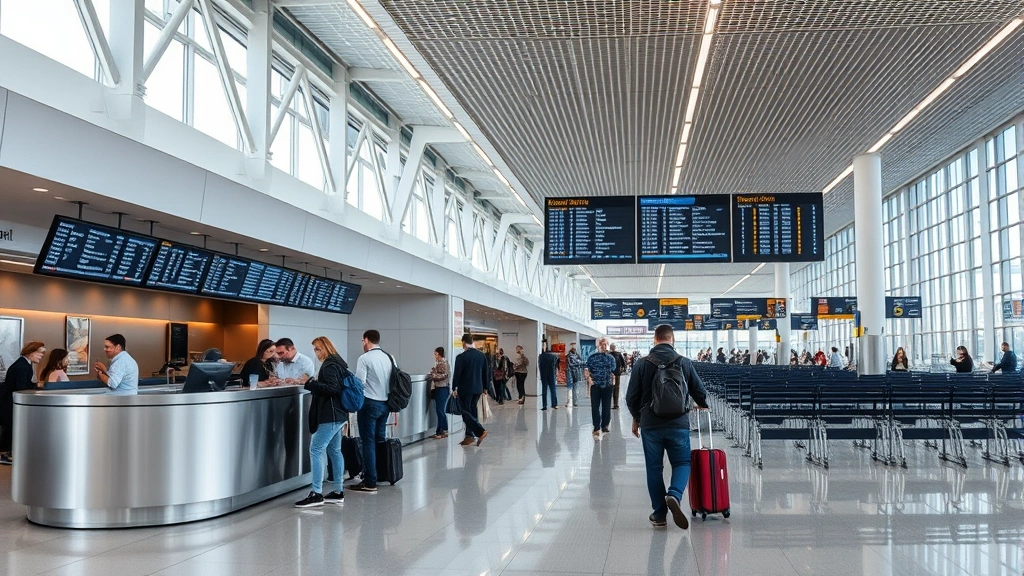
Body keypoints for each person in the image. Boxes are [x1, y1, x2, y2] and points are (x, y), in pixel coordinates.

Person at [626, 324, 709, 530]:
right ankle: (674, 494)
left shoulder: (641, 364)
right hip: (678, 423)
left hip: (651, 425)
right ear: (672, 340)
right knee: (682, 463)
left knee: (654, 469)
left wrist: (637, 418)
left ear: (655, 340)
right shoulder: (684, 362)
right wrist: (701, 403)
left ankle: (659, 514)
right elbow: (699, 391)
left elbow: (631, 397)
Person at [295, 336, 348, 508]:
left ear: (325, 348)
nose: (316, 353)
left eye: (318, 349)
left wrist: (309, 382)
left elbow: (332, 389)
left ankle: (316, 493)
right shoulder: (339, 362)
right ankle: (338, 491)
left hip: (329, 415)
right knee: (335, 451)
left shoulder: (329, 365)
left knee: (316, 449)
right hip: (339, 414)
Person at [350, 330, 393, 494]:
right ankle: (381, 475)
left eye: (362, 340)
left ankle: (370, 481)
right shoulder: (389, 357)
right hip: (386, 404)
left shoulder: (365, 358)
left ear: (367, 340)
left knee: (367, 442)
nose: (362, 344)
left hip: (369, 403)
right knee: (379, 440)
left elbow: (359, 383)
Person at [0, 341, 46, 465]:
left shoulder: (24, 364)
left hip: (9, 402)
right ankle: (11, 455)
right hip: (9, 403)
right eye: (39, 353)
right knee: (13, 428)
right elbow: (21, 388)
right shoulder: (22, 366)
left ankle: (11, 453)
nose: (41, 356)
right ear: (31, 352)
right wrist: (36, 387)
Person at [452, 334, 489, 446]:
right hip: (478, 389)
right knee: (472, 411)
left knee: (465, 411)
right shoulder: (481, 356)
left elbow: (457, 375)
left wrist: (454, 388)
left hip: (465, 389)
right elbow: (485, 373)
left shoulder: (461, 357)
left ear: (463, 342)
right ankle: (469, 436)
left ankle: (479, 431)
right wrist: (486, 387)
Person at [585, 338, 617, 438]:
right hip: (596, 385)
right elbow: (587, 368)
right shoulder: (592, 357)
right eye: (601, 344)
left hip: (607, 385)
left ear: (607, 345)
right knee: (595, 407)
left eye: (605, 344)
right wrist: (589, 379)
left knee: (606, 406)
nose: (603, 346)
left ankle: (605, 425)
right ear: (598, 345)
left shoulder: (610, 358)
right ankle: (596, 426)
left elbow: (613, 368)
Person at [428, 347, 451, 439]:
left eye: (435, 354)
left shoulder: (443, 363)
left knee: (440, 410)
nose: (434, 356)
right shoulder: (440, 363)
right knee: (439, 410)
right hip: (440, 388)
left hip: (442, 388)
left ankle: (443, 430)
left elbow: (444, 375)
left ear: (439, 354)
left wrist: (433, 374)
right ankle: (439, 431)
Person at [537, 344, 559, 411]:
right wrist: (556, 373)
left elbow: (539, 366)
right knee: (553, 389)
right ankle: (554, 404)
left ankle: (544, 406)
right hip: (551, 374)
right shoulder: (554, 356)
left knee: (544, 390)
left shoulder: (540, 356)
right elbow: (557, 365)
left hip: (544, 375)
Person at [566, 343, 584, 408]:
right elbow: (572, 364)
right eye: (573, 348)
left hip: (576, 374)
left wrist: (578, 362)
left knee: (575, 388)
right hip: (571, 373)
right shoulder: (569, 356)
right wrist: (578, 362)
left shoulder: (577, 355)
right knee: (570, 388)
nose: (574, 349)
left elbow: (582, 362)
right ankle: (570, 402)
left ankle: (575, 402)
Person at [609, 344, 626, 410]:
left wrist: (621, 370)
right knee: (610, 389)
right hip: (610, 374)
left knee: (616, 388)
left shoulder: (618, 354)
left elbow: (623, 363)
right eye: (611, 347)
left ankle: (616, 404)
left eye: (613, 347)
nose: (612, 348)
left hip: (617, 374)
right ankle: (610, 403)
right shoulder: (608, 354)